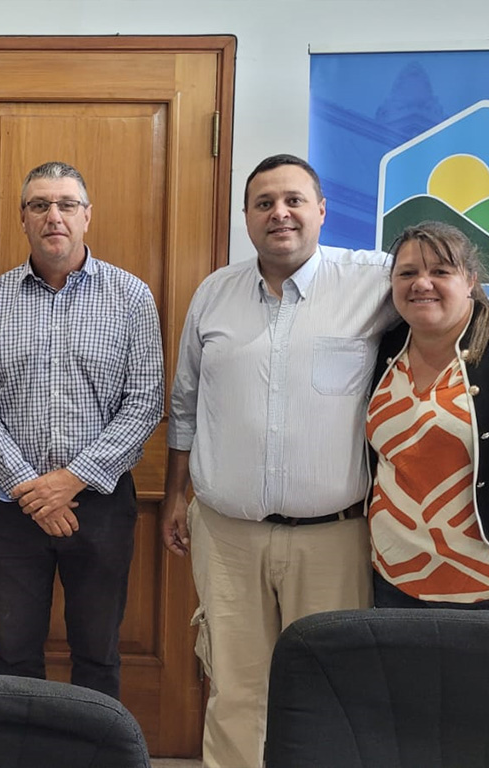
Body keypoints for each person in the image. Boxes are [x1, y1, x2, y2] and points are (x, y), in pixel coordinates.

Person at [161, 154, 398, 768]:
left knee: (331, 691)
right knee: (236, 691)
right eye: (264, 203)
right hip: (227, 536)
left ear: (322, 210)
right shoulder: (214, 293)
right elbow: (185, 403)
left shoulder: (375, 281)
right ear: (246, 216)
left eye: (294, 200)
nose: (280, 213)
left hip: (334, 539)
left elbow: (452, 295)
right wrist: (175, 494)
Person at [0, 161, 165, 700]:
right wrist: (31, 488)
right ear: (23, 218)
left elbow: (145, 401)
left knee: (97, 654)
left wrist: (70, 480)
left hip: (99, 505)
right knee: (14, 655)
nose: (54, 216)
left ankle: (92, 746)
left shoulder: (131, 296)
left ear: (86, 216)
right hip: (12, 506)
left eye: (66, 204)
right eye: (39, 205)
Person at [368, 221, 489, 609]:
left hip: (479, 587)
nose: (422, 283)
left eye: (440, 271)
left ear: (470, 280)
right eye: (407, 273)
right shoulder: (384, 346)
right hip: (392, 578)